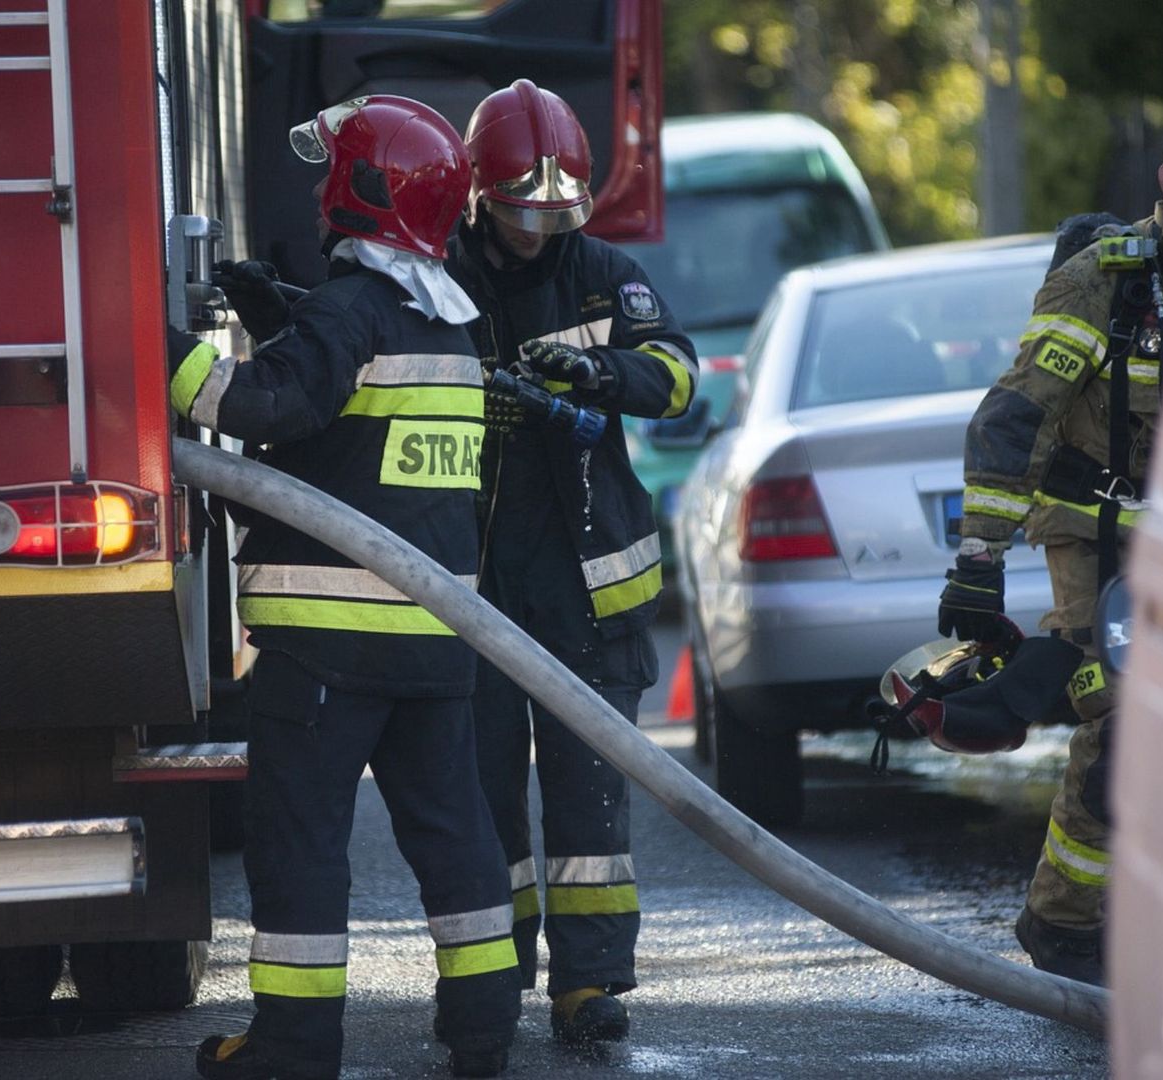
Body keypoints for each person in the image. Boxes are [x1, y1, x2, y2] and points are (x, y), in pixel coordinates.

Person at [168, 94, 521, 1080]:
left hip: (327, 650)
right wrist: (286, 315)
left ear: (359, 191)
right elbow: (365, 442)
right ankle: (485, 1026)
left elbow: (264, 404)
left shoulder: (352, 310)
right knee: (456, 836)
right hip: (434, 641)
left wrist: (153, 352)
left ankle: (288, 1047)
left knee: (299, 844)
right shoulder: (447, 325)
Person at [940, 105, 1163, 986]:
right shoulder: (1102, 281)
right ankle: (1061, 923)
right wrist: (978, 560)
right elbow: (1015, 418)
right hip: (1100, 537)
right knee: (1121, 728)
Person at [445, 79, 698, 1046]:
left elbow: (674, 373)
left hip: (589, 593)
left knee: (590, 806)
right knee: (482, 804)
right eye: (519, 209)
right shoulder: (440, 280)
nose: (535, 229)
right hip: (471, 591)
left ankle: (587, 989)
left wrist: (605, 372)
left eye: (553, 211)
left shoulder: (602, 274)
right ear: (479, 193)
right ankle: (488, 989)